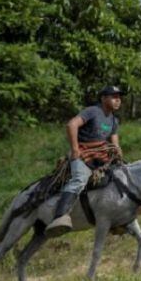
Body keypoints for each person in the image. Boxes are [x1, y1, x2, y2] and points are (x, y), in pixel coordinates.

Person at [45, 85, 124, 237]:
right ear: (103, 98)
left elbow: (115, 143)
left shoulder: (114, 120)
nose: (118, 100)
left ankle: (117, 219)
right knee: (80, 179)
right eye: (114, 97)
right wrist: (75, 149)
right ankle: (60, 216)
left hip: (101, 158)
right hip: (83, 154)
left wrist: (118, 152)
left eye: (119, 97)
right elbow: (71, 125)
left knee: (121, 175)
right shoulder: (92, 111)